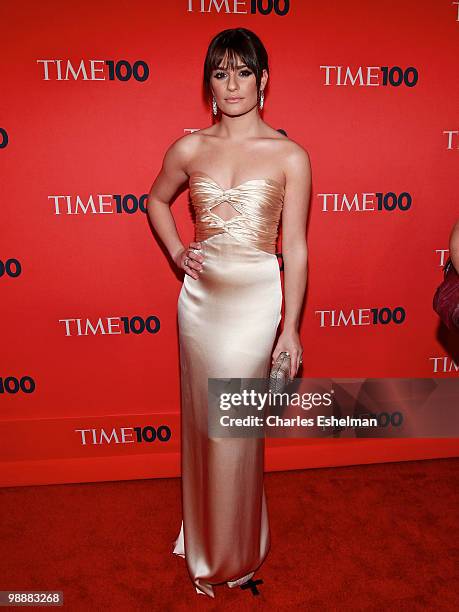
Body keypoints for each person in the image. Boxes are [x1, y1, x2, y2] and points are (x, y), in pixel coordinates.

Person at [147, 27, 311, 598]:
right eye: (221, 73)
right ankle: (204, 537)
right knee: (203, 424)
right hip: (200, 304)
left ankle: (236, 546)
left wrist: (290, 327)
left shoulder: (290, 155)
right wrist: (176, 250)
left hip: (255, 300)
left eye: (243, 72)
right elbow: (155, 199)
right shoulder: (189, 148)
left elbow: (296, 245)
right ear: (209, 84)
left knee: (236, 428)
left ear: (263, 80)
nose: (232, 84)